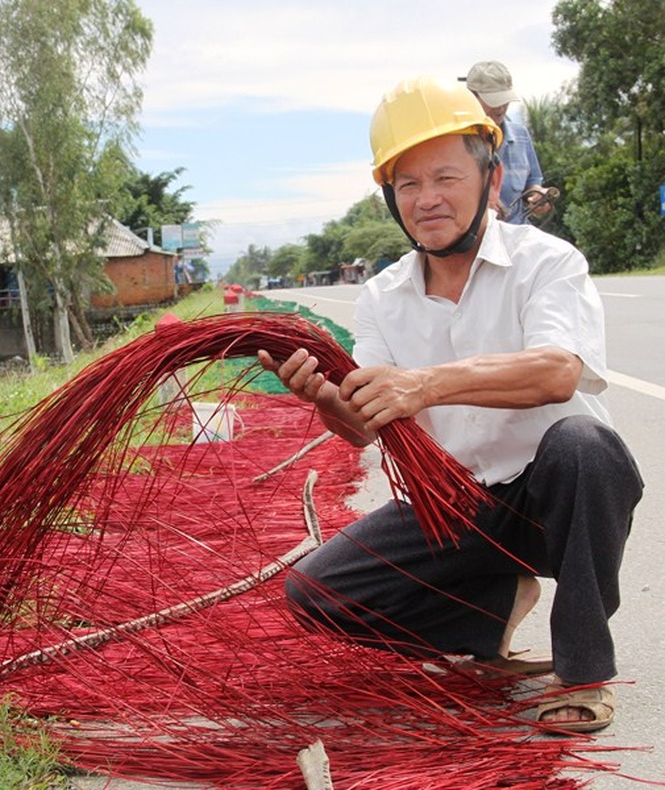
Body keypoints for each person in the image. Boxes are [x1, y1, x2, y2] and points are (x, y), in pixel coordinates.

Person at [258, 76, 643, 733]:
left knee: (586, 446)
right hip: (454, 503)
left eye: (446, 176)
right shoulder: (383, 297)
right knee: (313, 592)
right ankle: (489, 617)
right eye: (408, 185)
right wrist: (324, 397)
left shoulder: (548, 263)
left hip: (552, 502)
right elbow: (362, 428)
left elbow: (557, 372)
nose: (428, 199)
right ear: (390, 197)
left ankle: (583, 671)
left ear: (491, 180)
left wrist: (427, 384)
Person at [462, 60, 546, 224]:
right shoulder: (455, 142)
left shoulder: (521, 136)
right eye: (493, 101)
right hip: (474, 241)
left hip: (518, 236)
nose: (500, 108)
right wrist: (481, 203)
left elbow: (533, 181)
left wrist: (537, 196)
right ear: (472, 98)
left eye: (504, 100)